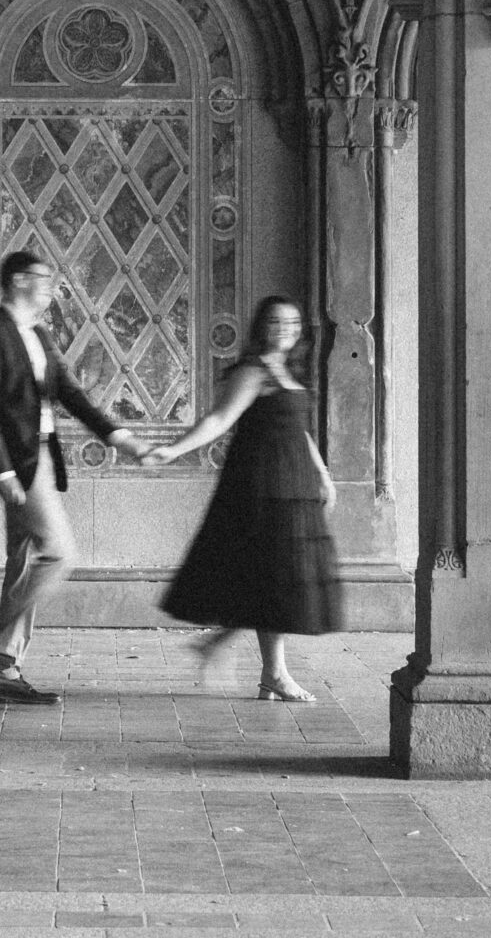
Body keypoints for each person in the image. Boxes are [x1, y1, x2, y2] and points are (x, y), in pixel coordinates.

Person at [0, 248, 150, 705]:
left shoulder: (38, 335)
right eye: (42, 278)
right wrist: (2, 468)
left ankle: (4, 671)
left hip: (42, 456)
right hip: (22, 465)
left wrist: (119, 435)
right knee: (60, 554)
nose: (50, 286)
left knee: (25, 561)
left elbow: (69, 392)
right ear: (17, 281)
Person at [147, 295, 343, 703]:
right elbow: (219, 420)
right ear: (261, 327)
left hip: (293, 484)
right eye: (275, 322)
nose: (285, 329)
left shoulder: (287, 370)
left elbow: (299, 429)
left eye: (292, 322)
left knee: (276, 577)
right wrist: (175, 449)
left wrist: (322, 471)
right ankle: (270, 671)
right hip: (262, 485)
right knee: (277, 575)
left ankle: (255, 665)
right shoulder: (253, 372)